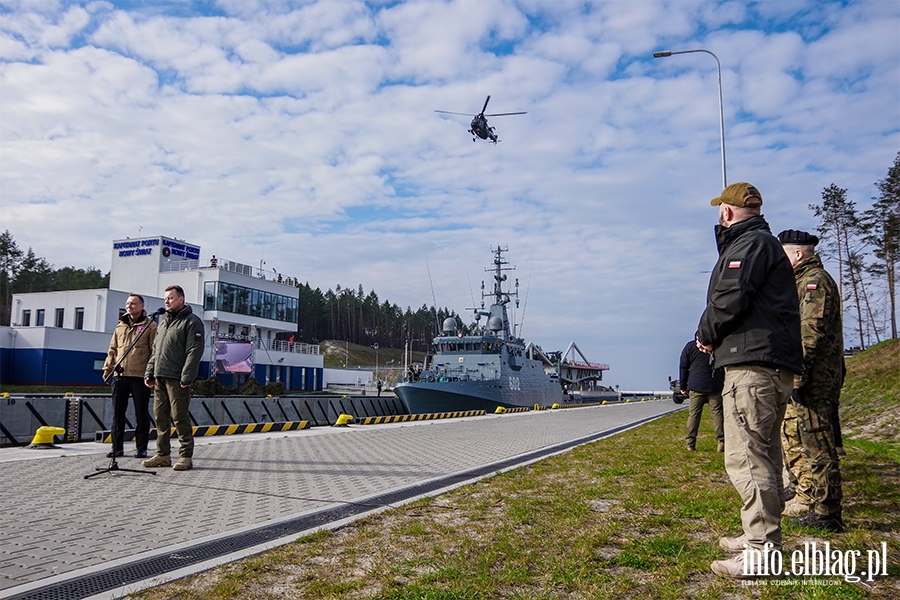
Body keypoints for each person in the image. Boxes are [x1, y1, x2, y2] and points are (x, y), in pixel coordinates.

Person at [694, 182, 803, 579]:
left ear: (726, 212)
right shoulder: (763, 243)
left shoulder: (750, 245)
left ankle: (761, 551)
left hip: (751, 368)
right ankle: (760, 535)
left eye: (718, 211)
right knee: (767, 456)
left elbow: (729, 298)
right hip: (769, 366)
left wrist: (705, 334)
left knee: (747, 459)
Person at [777, 229, 845, 532]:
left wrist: (799, 379)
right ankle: (814, 500)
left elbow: (810, 335)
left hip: (815, 379)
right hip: (812, 377)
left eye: (784, 254)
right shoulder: (803, 281)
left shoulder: (813, 283)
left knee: (820, 446)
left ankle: (828, 512)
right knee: (807, 441)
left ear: (798, 254)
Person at [142, 285, 205, 471]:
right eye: (165, 299)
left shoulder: (192, 322)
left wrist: (187, 377)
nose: (167, 301)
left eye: (170, 298)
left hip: (178, 378)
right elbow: (155, 351)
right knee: (160, 417)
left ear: (181, 299)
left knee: (180, 417)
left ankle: (185, 456)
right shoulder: (163, 323)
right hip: (160, 376)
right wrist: (149, 372)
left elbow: (194, 351)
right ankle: (163, 455)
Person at [102, 294, 157, 458]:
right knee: (117, 414)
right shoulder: (120, 327)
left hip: (140, 376)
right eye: (127, 304)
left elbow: (154, 351)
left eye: (133, 303)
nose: (129, 306)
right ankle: (117, 447)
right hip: (120, 375)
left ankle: (141, 448)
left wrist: (151, 373)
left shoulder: (150, 326)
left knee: (141, 413)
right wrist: (107, 369)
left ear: (142, 306)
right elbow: (112, 350)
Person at [679, 339, 725, 452]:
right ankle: (722, 441)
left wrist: (683, 386)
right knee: (718, 414)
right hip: (715, 385)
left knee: (694, 415)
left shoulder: (690, 346)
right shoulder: (717, 345)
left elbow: (684, 367)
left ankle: (690, 443)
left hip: (696, 386)